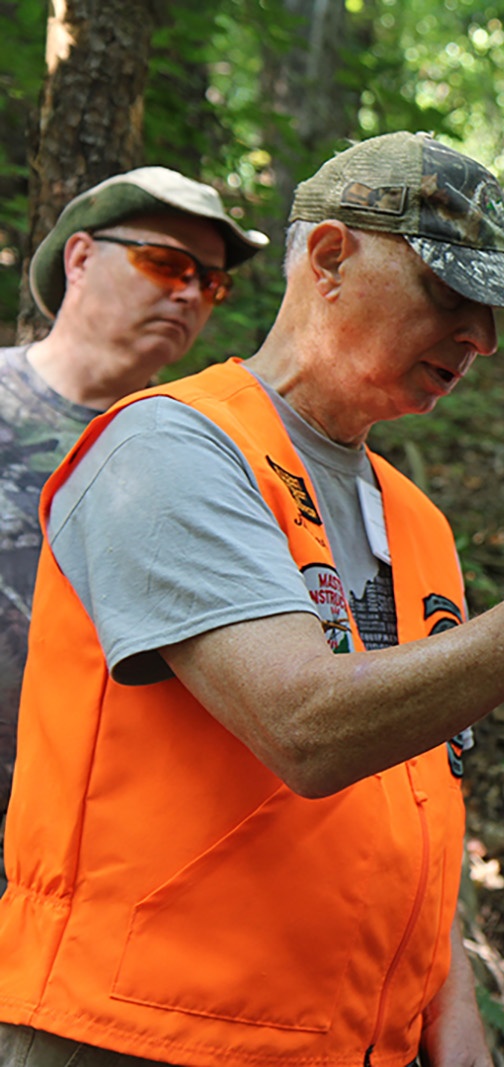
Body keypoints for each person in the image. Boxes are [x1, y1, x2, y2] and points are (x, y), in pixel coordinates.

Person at [0, 131, 504, 1067]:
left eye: (495, 312)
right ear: (329, 258)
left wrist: (451, 1018)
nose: (482, 338)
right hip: (141, 1031)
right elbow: (307, 729)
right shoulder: (165, 450)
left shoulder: (416, 523)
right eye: (453, 294)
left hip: (346, 1040)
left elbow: (413, 805)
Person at [0, 167, 267, 884]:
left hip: (90, 866)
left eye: (211, 283)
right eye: (165, 263)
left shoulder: (200, 453)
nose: (188, 293)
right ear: (81, 258)